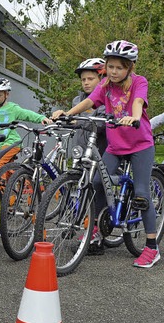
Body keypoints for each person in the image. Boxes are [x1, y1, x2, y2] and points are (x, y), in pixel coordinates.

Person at [51, 40, 158, 267]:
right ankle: (98, 229)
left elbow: (138, 101)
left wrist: (135, 118)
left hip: (140, 145)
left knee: (141, 193)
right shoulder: (107, 86)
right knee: (98, 182)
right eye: (110, 66)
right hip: (115, 146)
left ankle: (151, 247)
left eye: (120, 67)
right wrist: (67, 114)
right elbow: (90, 101)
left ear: (130, 67)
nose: (114, 71)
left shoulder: (139, 82)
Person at [0, 78, 51, 173]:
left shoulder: (12, 108)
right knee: (5, 169)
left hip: (11, 142)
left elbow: (27, 114)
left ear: (7, 95)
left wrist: (42, 118)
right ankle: (22, 182)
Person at [72, 58, 108, 155]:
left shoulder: (107, 100)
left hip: (101, 153)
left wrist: (77, 122)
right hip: (80, 152)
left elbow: (100, 125)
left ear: (103, 80)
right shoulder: (77, 101)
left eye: (90, 79)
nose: (86, 83)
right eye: (83, 79)